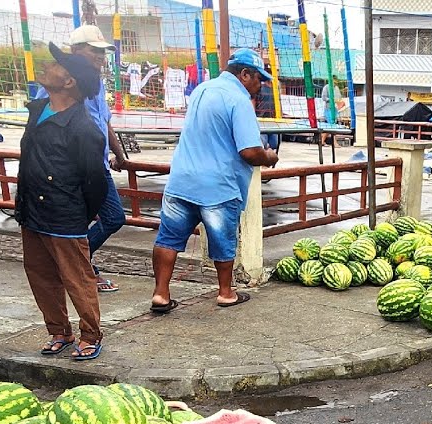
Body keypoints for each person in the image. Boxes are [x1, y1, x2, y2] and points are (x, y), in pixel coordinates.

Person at [150, 49, 279, 313]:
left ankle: (161, 294)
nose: (260, 85)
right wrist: (269, 156)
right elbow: (249, 152)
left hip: (181, 180)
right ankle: (226, 292)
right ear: (244, 74)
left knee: (168, 239)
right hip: (217, 186)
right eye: (258, 79)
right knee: (223, 240)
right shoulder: (239, 99)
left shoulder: (202, 90)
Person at [15, 44, 108, 361]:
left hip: (64, 213)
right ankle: (59, 331)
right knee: (40, 274)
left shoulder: (83, 129)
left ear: (69, 83)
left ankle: (90, 335)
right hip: (32, 211)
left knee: (77, 279)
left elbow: (95, 182)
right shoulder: (38, 110)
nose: (47, 67)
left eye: (56, 66)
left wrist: (79, 215)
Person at [33, 25, 129, 293]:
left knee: (111, 217)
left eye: (102, 51)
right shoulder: (60, 79)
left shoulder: (95, 82)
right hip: (69, 169)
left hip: (96, 166)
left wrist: (119, 155)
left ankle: (75, 265)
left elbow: (104, 121)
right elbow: (42, 123)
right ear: (75, 51)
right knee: (103, 218)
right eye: (93, 50)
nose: (100, 56)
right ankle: (77, 267)